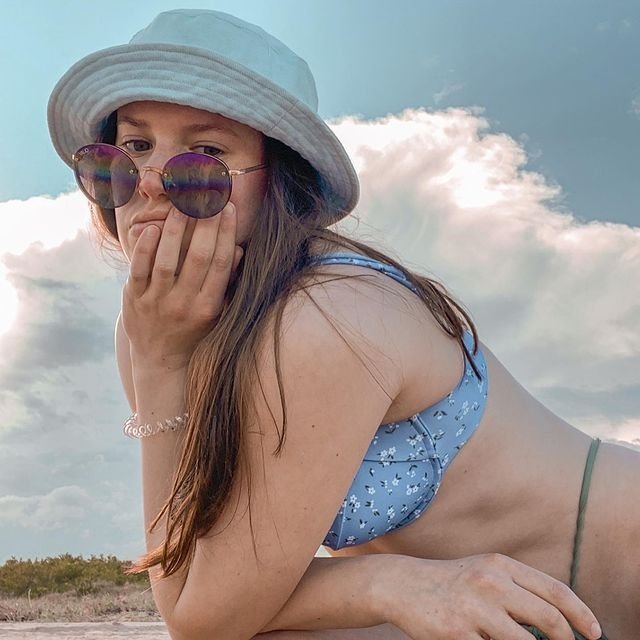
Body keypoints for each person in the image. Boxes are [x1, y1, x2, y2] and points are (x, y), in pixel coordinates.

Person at [46, 9, 636, 640]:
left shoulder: (329, 317)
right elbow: (198, 587)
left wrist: (384, 583)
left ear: (279, 181)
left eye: (206, 153)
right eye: (133, 147)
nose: (150, 184)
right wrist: (389, 583)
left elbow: (202, 614)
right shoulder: (156, 327)